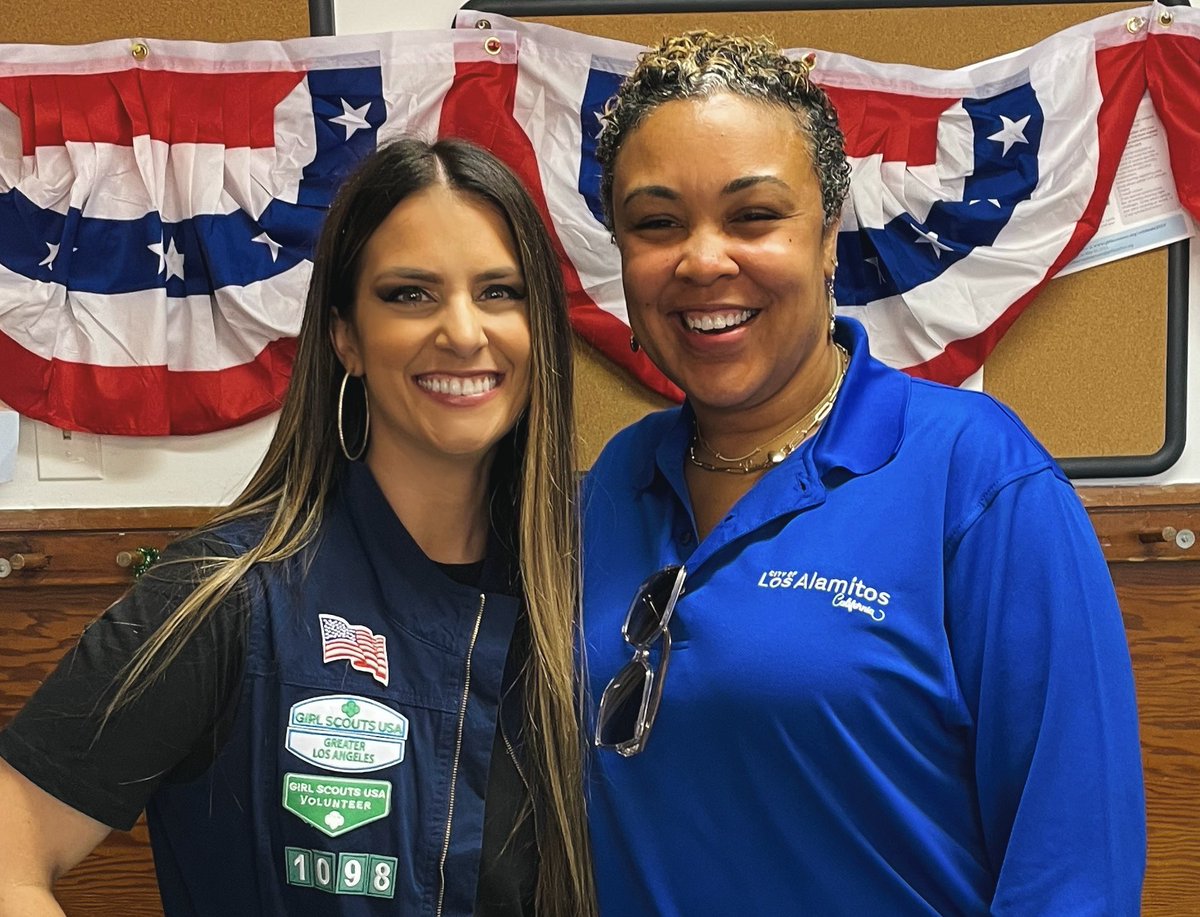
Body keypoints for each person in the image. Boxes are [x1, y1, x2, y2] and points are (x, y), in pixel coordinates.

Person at [582, 31, 1145, 916]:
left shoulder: (977, 477)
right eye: (656, 223)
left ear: (830, 236)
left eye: (754, 215)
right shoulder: (612, 487)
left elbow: (1074, 871)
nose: (700, 259)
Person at [0, 138, 596, 917]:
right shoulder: (224, 596)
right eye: (409, 294)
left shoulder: (592, 597)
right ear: (345, 335)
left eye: (499, 292)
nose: (462, 330)